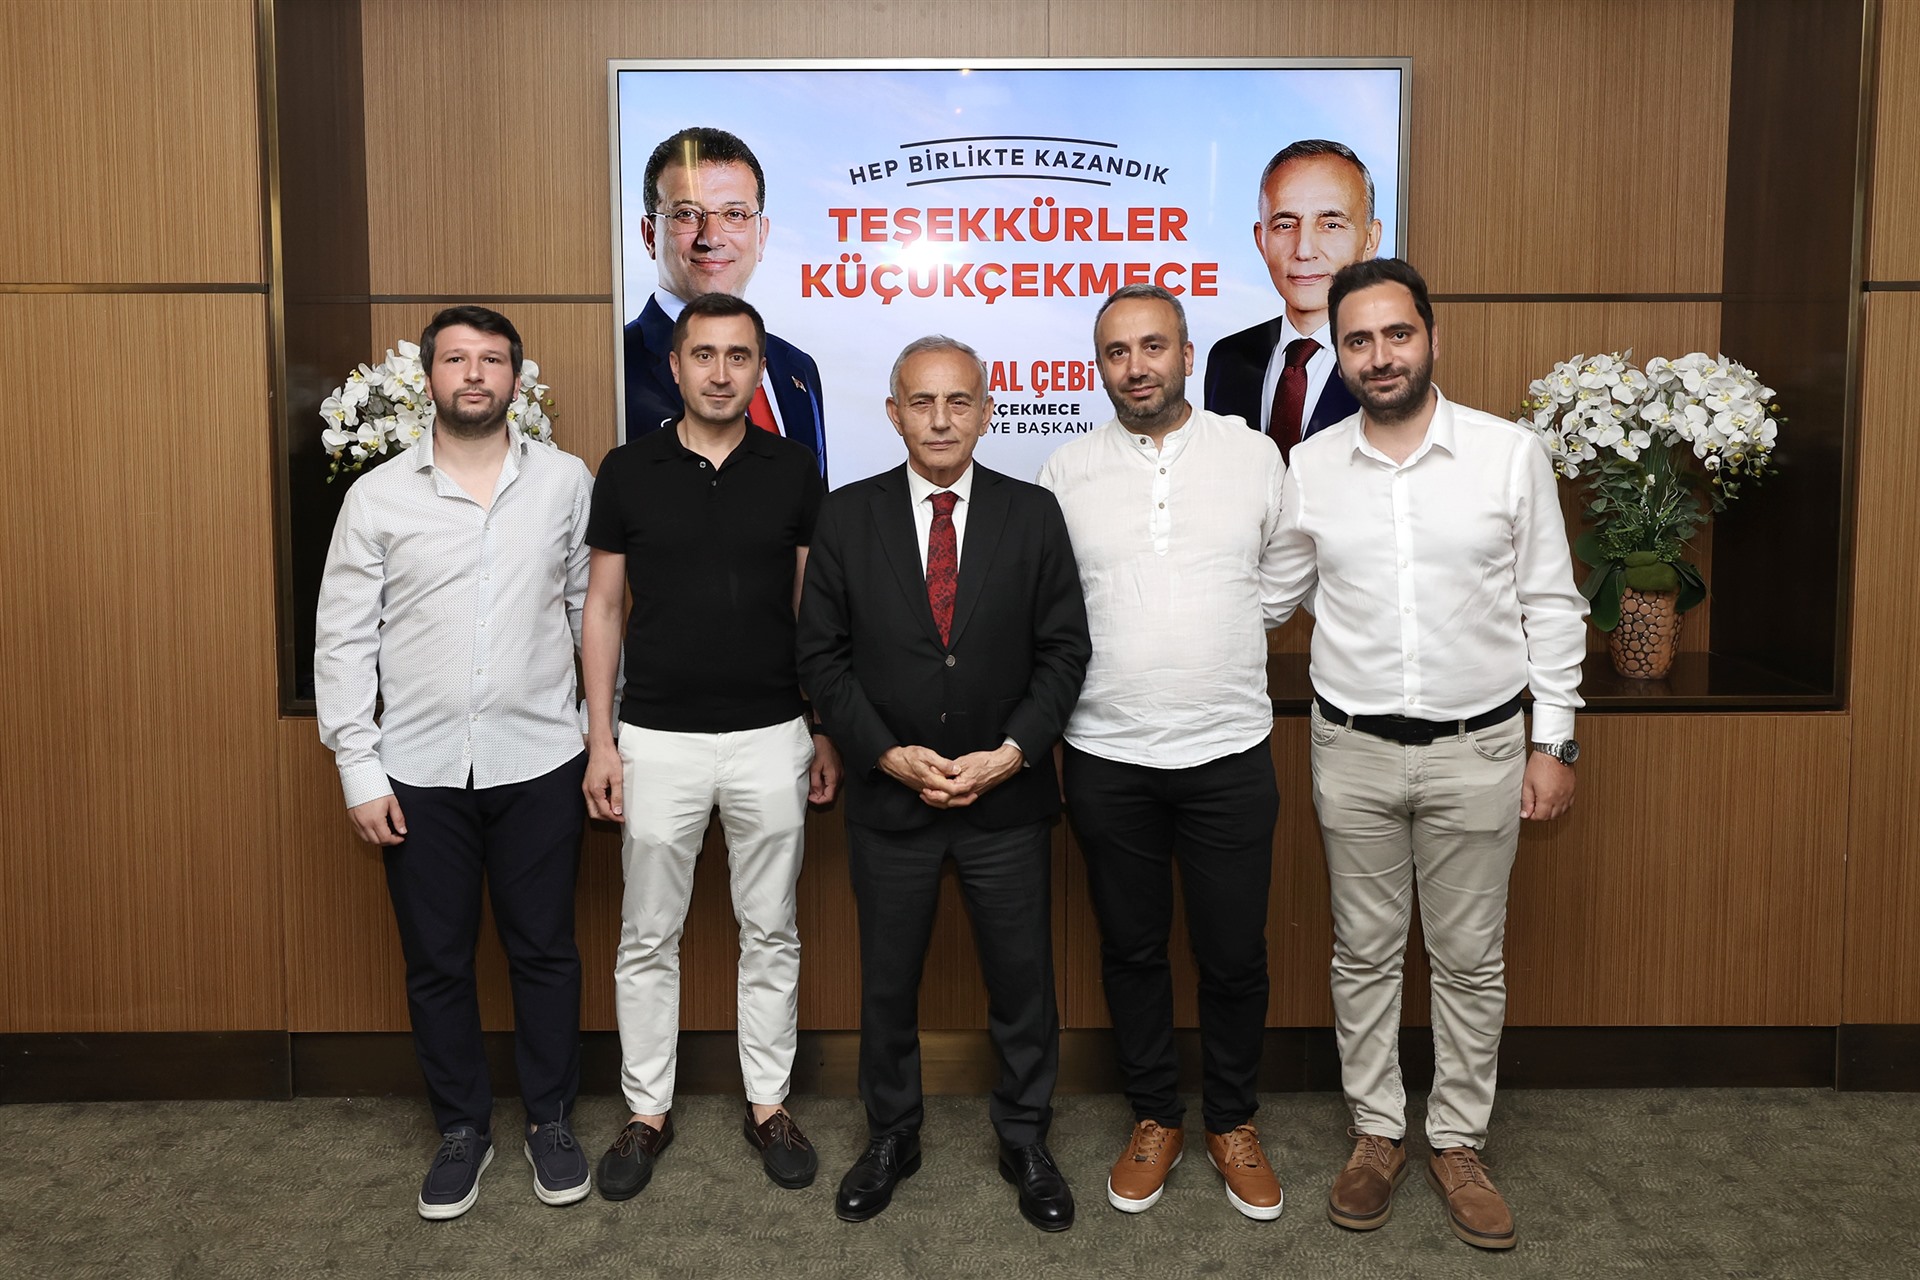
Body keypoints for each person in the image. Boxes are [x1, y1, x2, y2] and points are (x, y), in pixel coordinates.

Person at [1264, 258, 1585, 1251]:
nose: (1380, 356)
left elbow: (1551, 603)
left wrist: (1553, 740)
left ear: (1431, 338)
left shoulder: (1507, 455)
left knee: (1469, 958)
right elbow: (1271, 596)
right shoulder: (1311, 467)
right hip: (1351, 749)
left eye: (1396, 334)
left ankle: (1456, 1140)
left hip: (1478, 749)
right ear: (1339, 355)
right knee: (1362, 953)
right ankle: (1377, 1133)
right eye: (1357, 340)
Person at [796, 336, 1091, 1232]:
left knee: (1023, 982)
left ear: (987, 412)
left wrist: (1012, 753)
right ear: (893, 414)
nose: (940, 419)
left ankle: (1025, 1137)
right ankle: (892, 1134)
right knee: (887, 985)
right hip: (893, 798)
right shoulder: (846, 516)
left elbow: (1065, 650)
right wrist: (886, 754)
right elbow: (821, 657)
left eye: (959, 401)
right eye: (921, 402)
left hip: (1008, 797)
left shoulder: (1033, 514)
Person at [315, 305, 593, 1219]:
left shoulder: (565, 482)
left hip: (542, 759)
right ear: (429, 377)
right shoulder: (376, 497)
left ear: (517, 378)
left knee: (544, 951)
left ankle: (550, 1118)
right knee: (436, 961)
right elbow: (343, 638)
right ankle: (462, 1129)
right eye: (457, 359)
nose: (475, 374)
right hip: (418, 771)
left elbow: (593, 611)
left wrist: (601, 735)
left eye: (493, 359)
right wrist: (359, 768)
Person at [1037, 284, 1289, 1223]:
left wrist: (1220, 631)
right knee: (1133, 948)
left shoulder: (1253, 455)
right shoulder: (1067, 470)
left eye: (1153, 346)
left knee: (1234, 954)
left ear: (1187, 354)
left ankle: (1231, 1120)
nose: (1136, 367)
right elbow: (1052, 607)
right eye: (1116, 352)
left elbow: (1285, 571)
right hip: (1107, 751)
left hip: (1228, 747)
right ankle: (1155, 1116)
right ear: (1098, 367)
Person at [582, 293, 840, 1201]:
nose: (721, 373)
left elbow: (814, 610)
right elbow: (602, 608)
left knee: (770, 929)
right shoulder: (628, 469)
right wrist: (600, 739)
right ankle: (646, 1111)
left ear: (759, 367)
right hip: (655, 738)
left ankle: (768, 1103)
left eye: (739, 356)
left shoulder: (794, 469)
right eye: (704, 355)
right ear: (676, 365)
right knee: (648, 935)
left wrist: (821, 725)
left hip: (773, 733)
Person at [623, 126, 827, 479]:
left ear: (761, 235)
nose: (712, 238)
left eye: (734, 214)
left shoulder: (796, 367)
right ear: (650, 235)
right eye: (687, 214)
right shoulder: (616, 364)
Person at [1204, 139, 1383, 461]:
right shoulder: (1228, 358)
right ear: (1261, 240)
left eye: (1330, 225)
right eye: (1285, 225)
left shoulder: (1388, 363)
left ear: (1370, 240)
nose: (1304, 250)